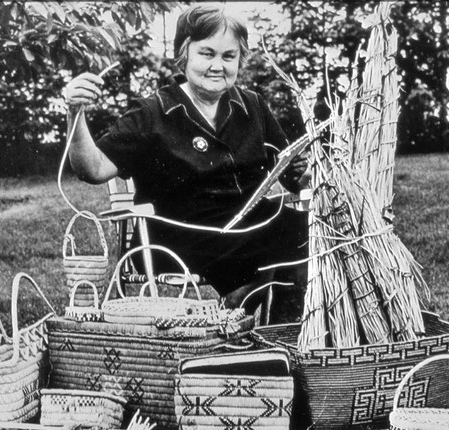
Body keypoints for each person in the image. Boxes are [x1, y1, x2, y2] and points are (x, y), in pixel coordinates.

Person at [63, 3, 308, 321]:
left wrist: (312, 173)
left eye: (228, 56)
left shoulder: (251, 106)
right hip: (180, 233)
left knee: (310, 232)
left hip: (246, 227)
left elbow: (294, 176)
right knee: (269, 255)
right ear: (184, 53)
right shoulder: (153, 112)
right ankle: (236, 316)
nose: (218, 66)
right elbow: (92, 169)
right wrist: (74, 112)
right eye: (207, 53)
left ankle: (281, 338)